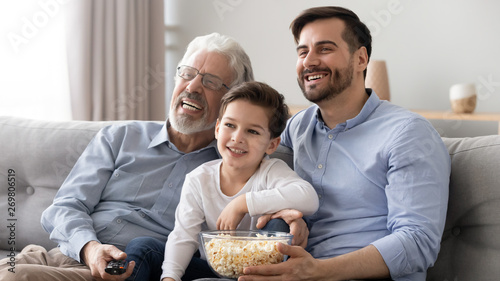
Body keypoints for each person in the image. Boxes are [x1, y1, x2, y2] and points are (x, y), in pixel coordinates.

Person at [0, 32, 255, 281]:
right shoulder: (120, 136)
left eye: (210, 81)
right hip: (63, 255)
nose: (192, 87)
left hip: (124, 270)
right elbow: (65, 206)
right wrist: (90, 248)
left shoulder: (233, 169)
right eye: (187, 74)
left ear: (232, 99)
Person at [239, 6, 451, 281]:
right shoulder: (296, 128)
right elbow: (263, 179)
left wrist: (317, 271)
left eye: (324, 49)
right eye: (302, 52)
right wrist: (290, 213)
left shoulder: (408, 133)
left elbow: (418, 242)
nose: (309, 61)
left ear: (361, 58)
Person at [160, 81, 319, 281]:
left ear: (272, 144)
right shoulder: (198, 179)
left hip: (257, 273)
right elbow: (183, 236)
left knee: (278, 225)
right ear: (217, 129)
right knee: (144, 248)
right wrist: (170, 278)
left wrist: (242, 203)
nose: (237, 138)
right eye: (230, 125)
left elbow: (309, 198)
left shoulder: (271, 171)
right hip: (215, 266)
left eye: (252, 131)